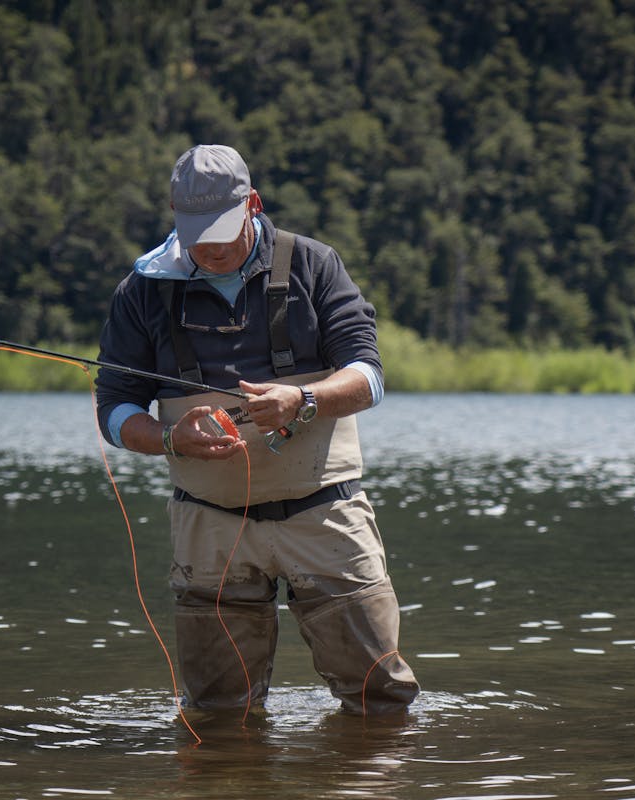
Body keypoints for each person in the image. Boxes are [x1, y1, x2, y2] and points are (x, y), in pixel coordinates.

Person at [95, 144, 419, 714]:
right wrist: (169, 439)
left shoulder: (315, 265)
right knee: (218, 713)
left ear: (253, 205)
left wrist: (304, 399)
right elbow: (114, 411)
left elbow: (370, 378)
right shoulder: (142, 289)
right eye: (196, 231)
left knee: (380, 702)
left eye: (221, 228)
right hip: (210, 525)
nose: (210, 247)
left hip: (325, 513)